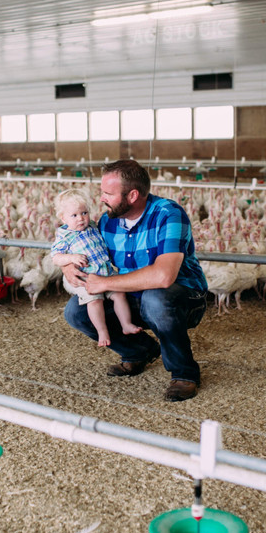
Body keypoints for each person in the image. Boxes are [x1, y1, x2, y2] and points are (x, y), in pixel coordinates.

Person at [60, 159, 208, 402]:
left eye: (108, 193)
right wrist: (67, 265)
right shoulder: (107, 221)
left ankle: (184, 373)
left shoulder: (168, 215)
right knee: (76, 312)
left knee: (156, 298)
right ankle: (140, 351)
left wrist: (106, 284)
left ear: (132, 195)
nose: (101, 199)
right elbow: (80, 245)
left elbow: (163, 276)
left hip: (183, 297)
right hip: (132, 295)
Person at [50, 189, 142, 347]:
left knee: (119, 294)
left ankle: (126, 324)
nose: (81, 218)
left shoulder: (92, 226)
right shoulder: (64, 236)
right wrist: (70, 259)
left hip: (106, 273)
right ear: (62, 218)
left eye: (84, 213)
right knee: (94, 302)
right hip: (88, 279)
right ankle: (102, 331)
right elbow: (56, 257)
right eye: (74, 215)